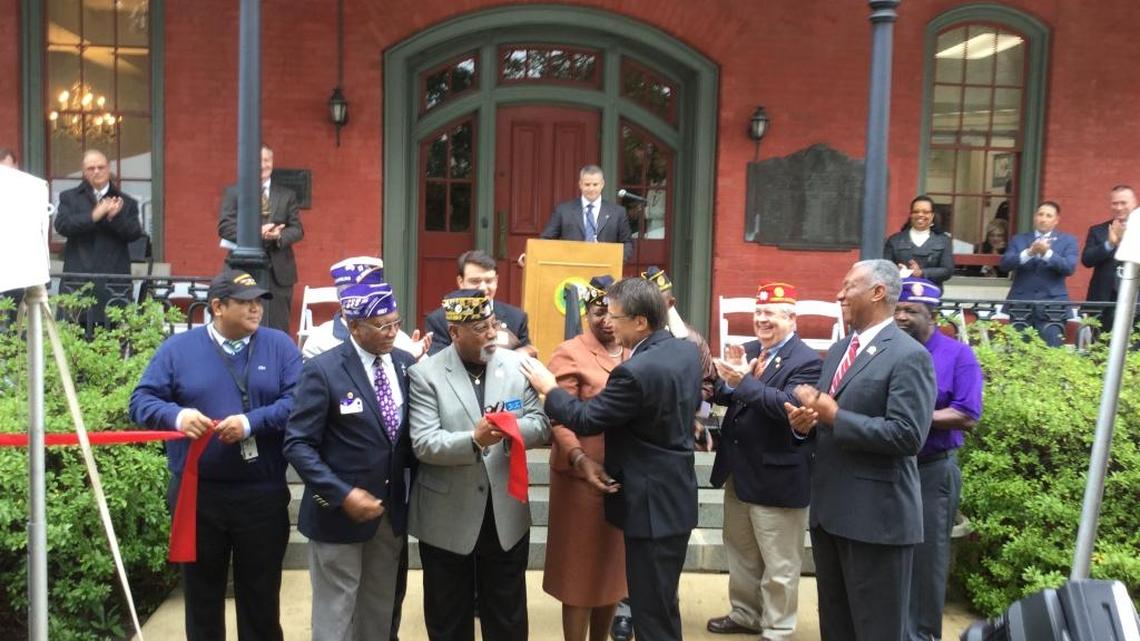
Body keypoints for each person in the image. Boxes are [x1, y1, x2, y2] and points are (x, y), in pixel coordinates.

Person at [522, 277, 704, 641]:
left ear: (640, 322)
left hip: (650, 503)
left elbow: (586, 418)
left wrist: (549, 389)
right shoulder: (685, 351)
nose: (609, 323)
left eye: (616, 317)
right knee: (663, 604)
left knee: (651, 613)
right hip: (674, 496)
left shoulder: (634, 371)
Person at [129, 269, 301, 641]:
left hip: (262, 492)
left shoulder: (279, 345)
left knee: (261, 600)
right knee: (202, 598)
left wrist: (250, 423)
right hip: (198, 495)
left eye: (259, 301)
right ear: (218, 307)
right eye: (245, 302)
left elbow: (298, 402)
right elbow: (141, 400)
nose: (256, 309)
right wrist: (176, 414)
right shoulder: (178, 349)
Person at [784, 259, 936, 641]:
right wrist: (807, 424)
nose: (839, 294)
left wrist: (834, 416)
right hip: (831, 514)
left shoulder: (908, 356)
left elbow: (907, 436)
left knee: (876, 630)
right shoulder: (838, 351)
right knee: (836, 626)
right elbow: (827, 421)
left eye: (848, 286)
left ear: (878, 292)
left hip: (876, 521)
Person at [408, 288, 550, 641]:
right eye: (480, 328)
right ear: (454, 332)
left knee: (507, 615)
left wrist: (507, 430)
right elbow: (424, 443)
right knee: (448, 616)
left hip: (505, 511)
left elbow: (541, 423)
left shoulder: (517, 366)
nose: (491, 334)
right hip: (447, 513)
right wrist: (474, 440)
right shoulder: (426, 374)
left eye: (493, 324)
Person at [284, 280, 417, 641]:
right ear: (354, 325)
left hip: (388, 513)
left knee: (378, 609)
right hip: (337, 514)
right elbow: (297, 445)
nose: (393, 332)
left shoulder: (405, 364)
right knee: (336, 614)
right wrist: (343, 494)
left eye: (396, 322)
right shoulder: (323, 370)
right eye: (382, 325)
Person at [705, 282, 822, 640]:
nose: (761, 320)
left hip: (778, 477)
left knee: (780, 563)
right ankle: (745, 614)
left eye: (770, 313)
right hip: (738, 473)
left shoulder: (809, 361)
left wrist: (742, 382)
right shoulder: (752, 350)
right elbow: (730, 394)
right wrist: (728, 380)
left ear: (791, 318)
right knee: (741, 553)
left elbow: (784, 406)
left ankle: (777, 628)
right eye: (758, 313)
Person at [893, 277, 983, 641]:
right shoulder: (892, 351)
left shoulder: (958, 355)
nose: (901, 316)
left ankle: (922, 636)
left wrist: (914, 418)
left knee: (927, 559)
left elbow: (967, 413)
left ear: (932, 316)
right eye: (898, 309)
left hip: (932, 471)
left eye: (911, 311)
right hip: (893, 468)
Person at [542, 275, 629, 641]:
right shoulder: (570, 352)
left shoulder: (633, 351)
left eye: (613, 314)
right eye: (598, 313)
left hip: (621, 477)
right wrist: (578, 457)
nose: (606, 321)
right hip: (580, 480)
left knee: (611, 575)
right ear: (586, 313)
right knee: (578, 574)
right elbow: (557, 414)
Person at [218, 144, 304, 333]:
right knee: (242, 324)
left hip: (279, 272)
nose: (263, 165)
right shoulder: (235, 192)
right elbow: (225, 228)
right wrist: (255, 233)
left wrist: (279, 235)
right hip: (243, 269)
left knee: (278, 328)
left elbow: (297, 229)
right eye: (259, 160)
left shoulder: (286, 195)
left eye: (267, 160)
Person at [53, 149, 144, 327]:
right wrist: (94, 215)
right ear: (84, 171)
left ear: (108, 169)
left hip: (113, 284)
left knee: (111, 343)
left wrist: (113, 218)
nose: (96, 171)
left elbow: (134, 233)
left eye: (100, 167)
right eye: (91, 168)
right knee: (75, 343)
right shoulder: (69, 198)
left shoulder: (126, 201)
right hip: (78, 282)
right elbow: (62, 226)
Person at [301, 256, 430, 360]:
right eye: (363, 295)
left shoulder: (398, 338)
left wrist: (413, 362)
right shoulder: (320, 341)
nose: (370, 301)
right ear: (342, 298)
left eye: (376, 294)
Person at [425, 250, 535, 357]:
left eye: (488, 281)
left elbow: (529, 363)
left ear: (496, 280)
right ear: (460, 282)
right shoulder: (439, 320)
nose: (483, 288)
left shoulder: (517, 318)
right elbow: (439, 366)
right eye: (475, 281)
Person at [999, 201, 1078, 346]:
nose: (1043, 218)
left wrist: (1047, 253)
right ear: (1035, 217)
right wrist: (1029, 252)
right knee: (1018, 353)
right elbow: (1005, 264)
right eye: (1040, 214)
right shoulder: (1019, 239)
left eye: (1049, 215)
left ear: (1056, 220)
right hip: (1021, 304)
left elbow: (1069, 268)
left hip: (1053, 306)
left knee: (1051, 354)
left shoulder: (1068, 240)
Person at [519, 164, 633, 265]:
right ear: (580, 184)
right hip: (570, 269)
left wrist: (614, 260)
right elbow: (546, 239)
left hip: (606, 270)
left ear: (602, 184)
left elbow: (627, 243)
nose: (591, 189)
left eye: (595, 184)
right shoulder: (563, 210)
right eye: (587, 184)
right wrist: (531, 256)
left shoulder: (618, 212)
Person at [1081, 185, 1138, 332]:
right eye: (1115, 203)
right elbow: (1087, 260)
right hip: (1103, 301)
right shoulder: (1098, 230)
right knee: (1100, 350)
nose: (1118, 207)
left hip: (1136, 299)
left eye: (1123, 203)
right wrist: (1110, 244)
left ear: (1134, 203)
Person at [883, 195, 955, 288]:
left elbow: (948, 271)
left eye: (926, 212)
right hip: (900, 295)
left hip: (930, 294)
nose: (920, 215)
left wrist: (921, 273)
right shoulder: (895, 240)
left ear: (932, 215)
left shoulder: (943, 240)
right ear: (911, 215)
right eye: (916, 211)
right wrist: (897, 271)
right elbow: (884, 269)